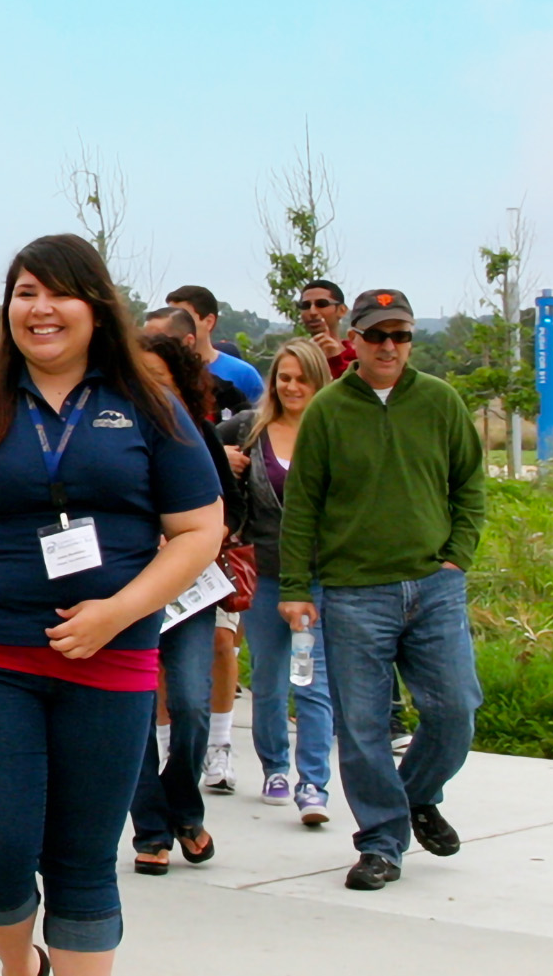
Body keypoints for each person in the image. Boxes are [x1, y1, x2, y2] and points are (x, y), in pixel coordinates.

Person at [0, 234, 225, 970]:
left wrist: (118, 609)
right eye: (24, 293)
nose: (40, 309)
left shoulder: (148, 406)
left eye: (58, 293)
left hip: (113, 661)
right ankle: (21, 962)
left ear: (96, 306)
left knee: (81, 860)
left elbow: (201, 529)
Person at [278, 288, 486, 892]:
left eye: (401, 336)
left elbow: (469, 485)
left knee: (455, 708)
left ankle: (417, 795)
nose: (389, 346)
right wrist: (295, 586)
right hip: (353, 592)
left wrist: (457, 557)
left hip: (433, 586)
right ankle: (380, 844)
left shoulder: (441, 402)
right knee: (363, 726)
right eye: (377, 336)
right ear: (356, 341)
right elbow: (303, 507)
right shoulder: (328, 411)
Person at [127, 332, 244, 873]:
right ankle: (152, 828)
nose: (150, 389)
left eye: (161, 379)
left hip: (190, 594)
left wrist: (192, 540)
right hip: (126, 593)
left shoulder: (197, 435)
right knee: (130, 714)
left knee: (192, 705)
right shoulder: (108, 436)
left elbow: (230, 511)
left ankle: (184, 805)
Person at [217, 338, 336, 824]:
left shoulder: (333, 430)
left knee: (313, 681)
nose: (291, 386)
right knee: (268, 679)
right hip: (265, 569)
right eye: (283, 377)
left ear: (317, 381)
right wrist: (225, 457)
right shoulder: (252, 428)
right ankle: (275, 768)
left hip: (319, 575)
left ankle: (314, 781)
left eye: (300, 378)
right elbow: (194, 446)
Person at [165, 284, 266, 404]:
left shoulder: (243, 374)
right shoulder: (161, 370)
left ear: (209, 322)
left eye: (182, 320)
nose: (174, 327)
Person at [143, 307, 250, 418]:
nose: (149, 349)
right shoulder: (136, 394)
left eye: (160, 343)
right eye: (144, 342)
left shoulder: (225, 395)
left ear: (188, 342)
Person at [297, 279, 354, 378]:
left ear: (342, 310)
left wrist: (335, 361)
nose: (312, 312)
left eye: (322, 304)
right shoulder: (295, 359)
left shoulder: (359, 359)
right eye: (306, 306)